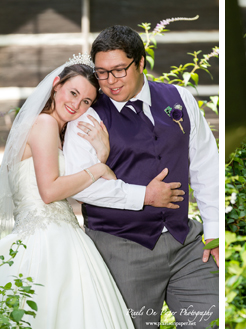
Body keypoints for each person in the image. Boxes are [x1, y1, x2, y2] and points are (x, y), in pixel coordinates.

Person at [62, 26, 220, 329]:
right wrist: (143, 196)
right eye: (102, 73)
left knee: (211, 320)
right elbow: (79, 184)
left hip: (184, 241)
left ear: (141, 63)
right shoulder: (88, 115)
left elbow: (205, 164)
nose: (110, 82)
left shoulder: (180, 99)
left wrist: (213, 230)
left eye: (119, 70)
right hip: (120, 247)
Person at [0, 57, 135, 328]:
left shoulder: (58, 133)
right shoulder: (45, 124)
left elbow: (74, 185)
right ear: (55, 86)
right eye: (73, 93)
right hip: (47, 239)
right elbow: (49, 191)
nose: (77, 104)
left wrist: (102, 154)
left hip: (62, 233)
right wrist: (98, 168)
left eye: (86, 101)